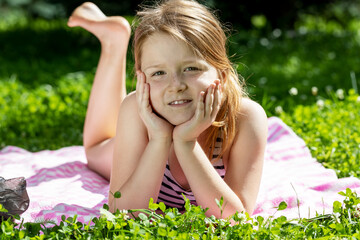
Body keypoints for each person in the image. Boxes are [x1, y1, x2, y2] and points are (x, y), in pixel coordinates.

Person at [67, 0, 268, 219]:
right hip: (145, 132)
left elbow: (235, 219)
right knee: (96, 150)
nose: (176, 85)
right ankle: (114, 42)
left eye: (191, 68)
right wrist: (158, 139)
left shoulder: (244, 118)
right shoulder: (137, 112)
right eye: (158, 73)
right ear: (142, 81)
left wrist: (186, 143)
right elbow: (124, 214)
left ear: (221, 74)